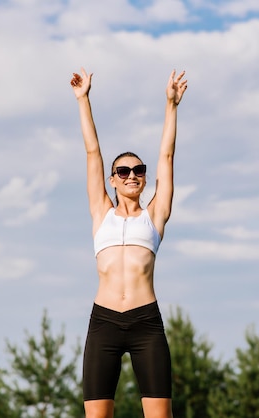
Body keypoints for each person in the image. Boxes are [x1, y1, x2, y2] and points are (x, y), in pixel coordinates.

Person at [70, 67, 187, 418]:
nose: (132, 175)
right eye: (123, 171)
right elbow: (92, 153)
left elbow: (167, 156)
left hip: (145, 324)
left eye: (138, 170)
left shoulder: (155, 215)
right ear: (113, 180)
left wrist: (171, 105)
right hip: (103, 322)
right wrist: (83, 99)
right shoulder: (100, 212)